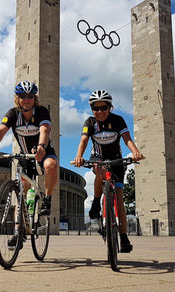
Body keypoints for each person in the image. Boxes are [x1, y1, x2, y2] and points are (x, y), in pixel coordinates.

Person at [0, 81, 58, 245]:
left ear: (34, 98)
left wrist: (41, 146)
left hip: (44, 151)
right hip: (25, 155)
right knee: (21, 190)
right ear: (17, 98)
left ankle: (47, 199)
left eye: (30, 96)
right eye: (22, 96)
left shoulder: (41, 111)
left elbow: (45, 130)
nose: (26, 99)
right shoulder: (12, 113)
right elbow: (1, 129)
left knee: (50, 166)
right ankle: (18, 231)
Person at [73, 90, 144, 253]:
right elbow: (83, 140)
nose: (99, 112)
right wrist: (79, 156)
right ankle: (97, 201)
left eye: (103, 108)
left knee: (119, 199)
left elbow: (127, 139)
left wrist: (135, 152)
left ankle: (124, 237)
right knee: (99, 169)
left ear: (110, 108)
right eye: (95, 108)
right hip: (97, 157)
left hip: (116, 159)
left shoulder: (118, 120)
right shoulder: (90, 122)